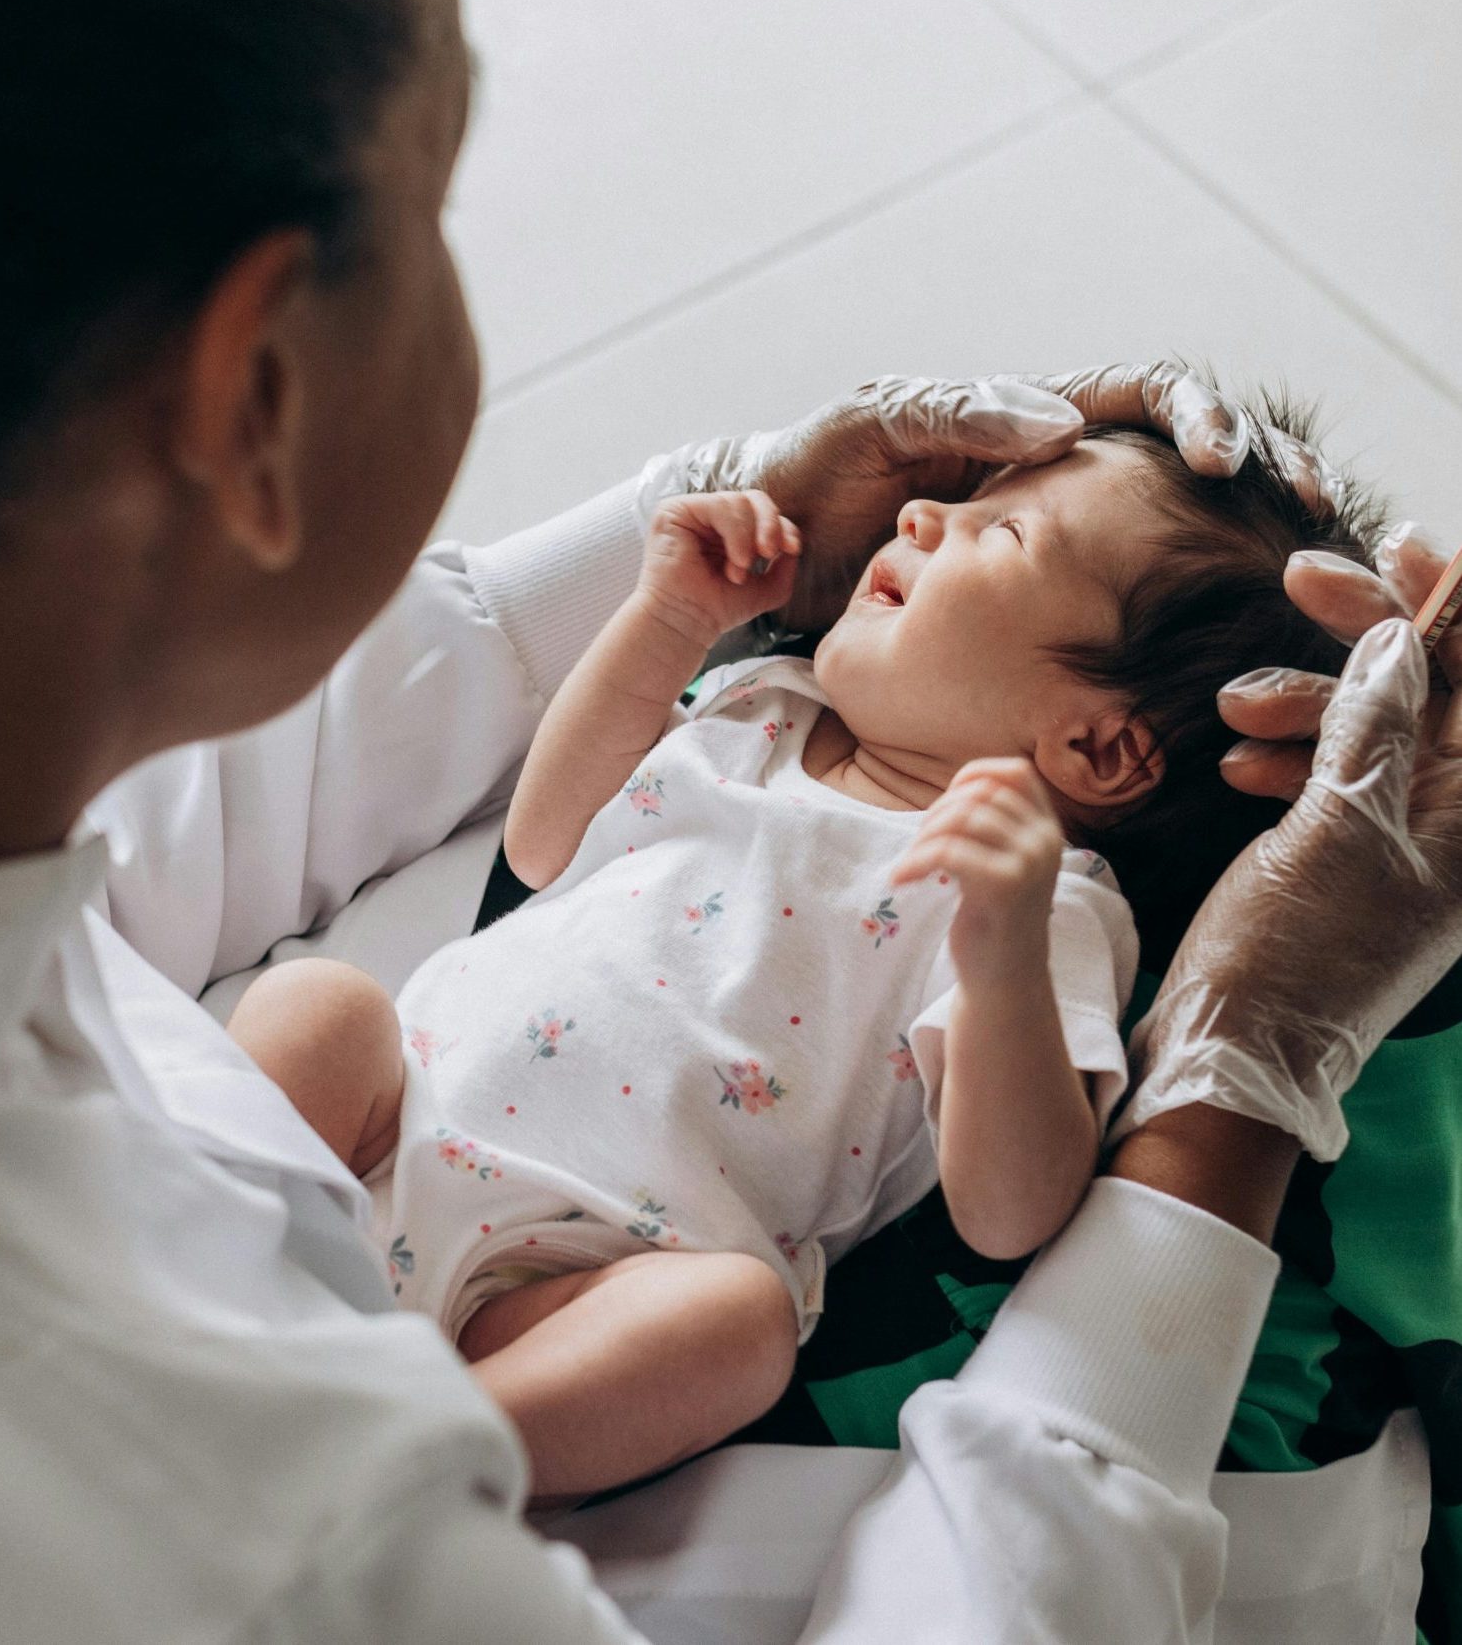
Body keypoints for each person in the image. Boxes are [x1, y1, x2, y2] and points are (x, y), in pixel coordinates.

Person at [0, 0, 1456, 1641]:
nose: (927, 528)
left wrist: (704, 547)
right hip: (416, 1231)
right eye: (439, 203)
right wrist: (1246, 1068)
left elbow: (414, 820)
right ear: (253, 386)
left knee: (679, 1282)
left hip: (581, 1261)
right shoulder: (292, 1561)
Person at [224, 412, 1382, 1504]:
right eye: (962, 500)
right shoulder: (762, 705)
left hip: (573, 1279)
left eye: (1003, 532)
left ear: (1095, 744)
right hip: (396, 1117)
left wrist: (999, 958)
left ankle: (408, 1461)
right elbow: (543, 842)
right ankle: (188, 1242)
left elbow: (1011, 1215)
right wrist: (667, 620)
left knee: (737, 1328)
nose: (926, 519)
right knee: (317, 1009)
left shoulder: (1044, 907)